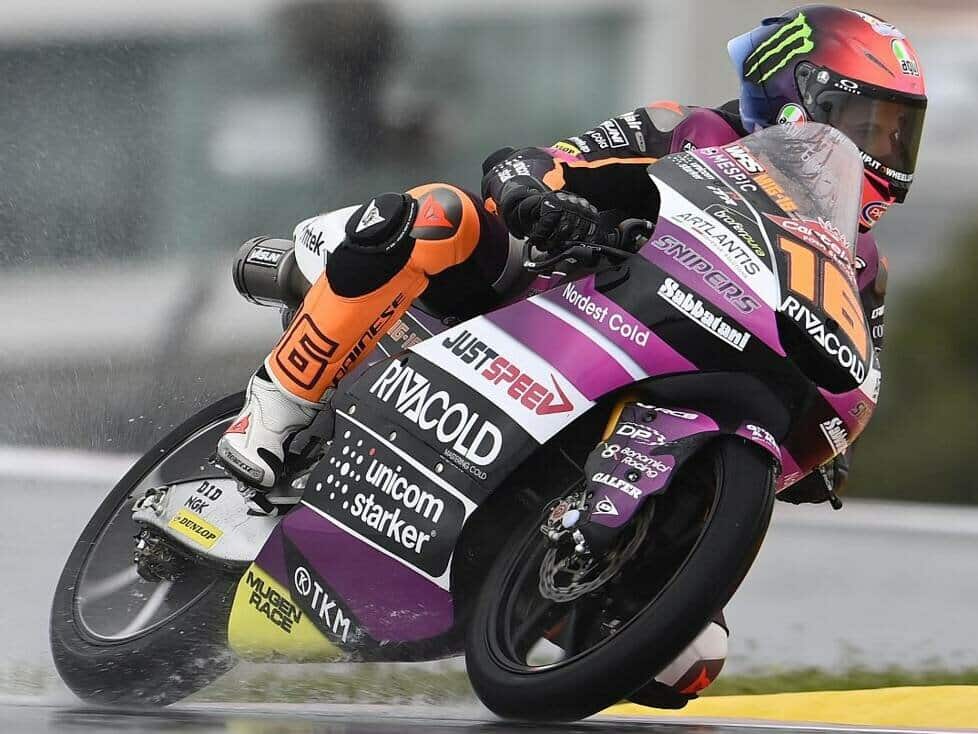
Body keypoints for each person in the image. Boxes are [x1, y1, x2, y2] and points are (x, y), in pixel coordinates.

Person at [216, 5, 927, 706]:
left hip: (669, 392)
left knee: (688, 661)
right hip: (537, 298)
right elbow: (539, 163)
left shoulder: (859, 264)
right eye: (869, 125)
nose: (886, 151)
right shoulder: (691, 131)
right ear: (793, 96)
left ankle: (558, 585)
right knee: (440, 213)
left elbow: (851, 360)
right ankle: (270, 422)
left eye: (901, 134)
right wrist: (535, 196)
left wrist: (823, 451)